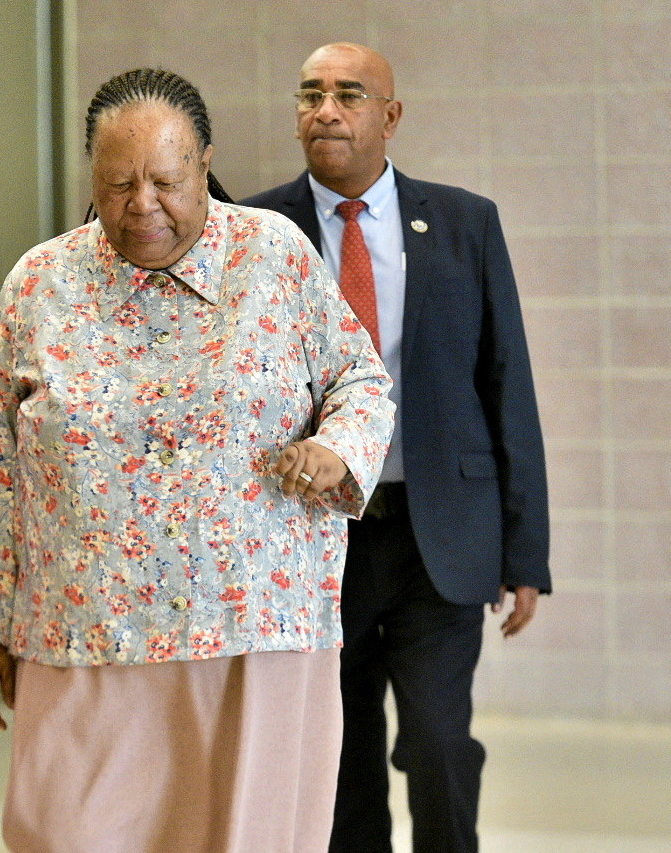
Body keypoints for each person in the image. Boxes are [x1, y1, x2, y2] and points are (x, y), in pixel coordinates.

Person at [0, 68, 395, 853]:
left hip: (254, 628)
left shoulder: (272, 255)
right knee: (63, 832)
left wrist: (338, 449)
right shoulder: (41, 282)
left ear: (205, 164)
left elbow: (359, 377)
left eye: (165, 179)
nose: (142, 203)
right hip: (83, 632)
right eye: (118, 183)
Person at [240, 43, 550, 853]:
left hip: (435, 534)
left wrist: (525, 550)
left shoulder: (464, 222)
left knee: (441, 744)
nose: (326, 110)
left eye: (349, 94)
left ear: (391, 115)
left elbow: (505, 382)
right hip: (313, 541)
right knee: (340, 759)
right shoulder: (258, 231)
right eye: (310, 94)